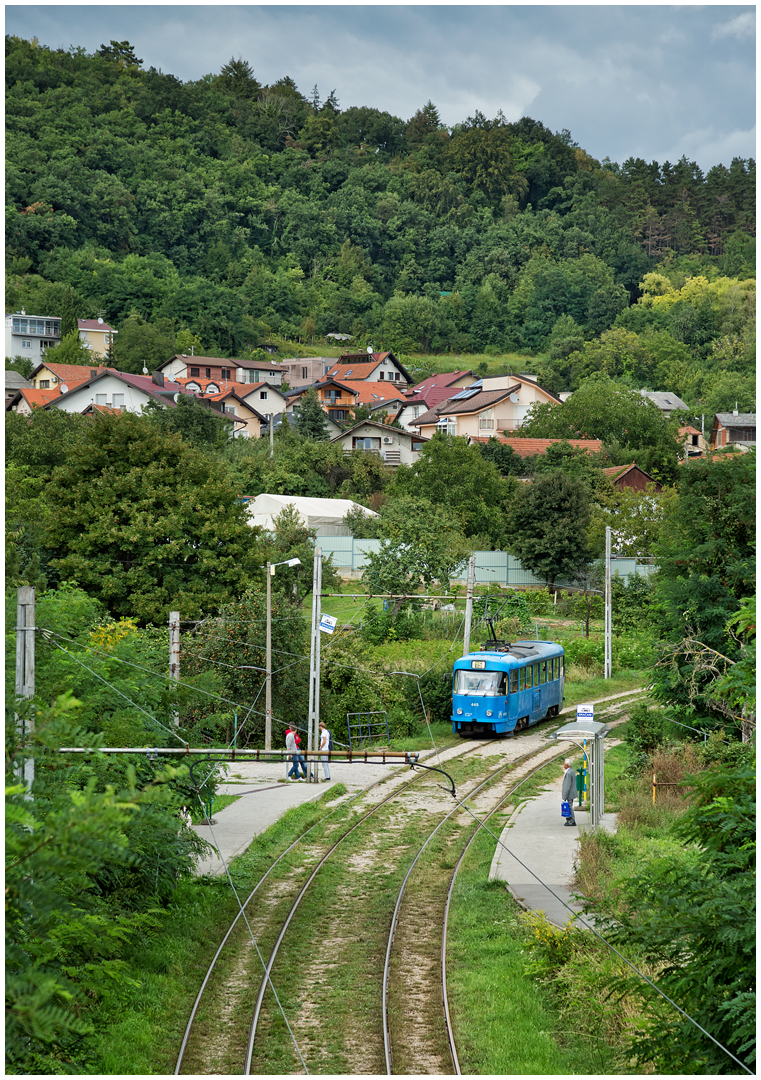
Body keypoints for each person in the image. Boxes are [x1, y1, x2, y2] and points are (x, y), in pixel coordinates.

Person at [561, 759, 577, 826]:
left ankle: (571, 820)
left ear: (567, 765)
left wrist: (564, 795)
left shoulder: (569, 773)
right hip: (571, 792)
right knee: (570, 805)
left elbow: (567, 785)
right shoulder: (571, 771)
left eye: (564, 764)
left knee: (570, 806)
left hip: (569, 793)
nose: (563, 765)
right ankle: (570, 819)